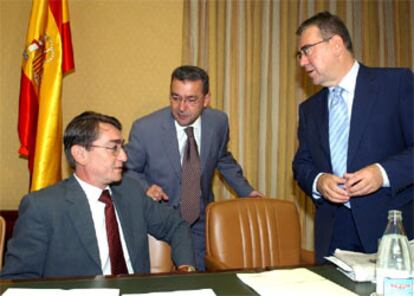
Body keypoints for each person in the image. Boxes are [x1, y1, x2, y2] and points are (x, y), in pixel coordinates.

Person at [0, 111, 195, 279]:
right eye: (113, 148)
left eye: (122, 147)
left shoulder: (131, 191)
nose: (124, 156)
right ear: (80, 154)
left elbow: (176, 226)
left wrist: (186, 267)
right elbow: (18, 280)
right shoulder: (42, 207)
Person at [292, 11, 413, 264]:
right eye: (299, 55)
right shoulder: (309, 109)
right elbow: (301, 164)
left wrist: (382, 173)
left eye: (306, 51)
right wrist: (318, 181)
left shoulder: (396, 83)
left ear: (336, 44)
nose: (302, 62)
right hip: (335, 233)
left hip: (392, 230)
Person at [125, 65, 263, 270]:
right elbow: (127, 169)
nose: (181, 107)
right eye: (175, 97)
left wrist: (248, 192)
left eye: (191, 100)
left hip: (199, 219)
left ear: (206, 99)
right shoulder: (145, 128)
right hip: (157, 221)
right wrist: (145, 187)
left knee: (196, 278)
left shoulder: (218, 122)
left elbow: (222, 158)